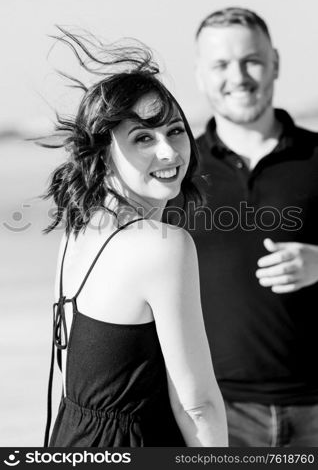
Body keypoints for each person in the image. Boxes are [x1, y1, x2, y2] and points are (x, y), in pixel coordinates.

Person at [42, 29, 227, 448]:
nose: (169, 153)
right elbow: (197, 404)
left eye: (175, 130)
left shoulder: (80, 230)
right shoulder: (162, 245)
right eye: (143, 138)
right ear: (103, 152)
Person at [190, 7, 318, 446]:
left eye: (252, 60)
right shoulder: (177, 172)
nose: (238, 76)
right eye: (221, 65)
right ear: (200, 75)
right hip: (215, 413)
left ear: (276, 63)